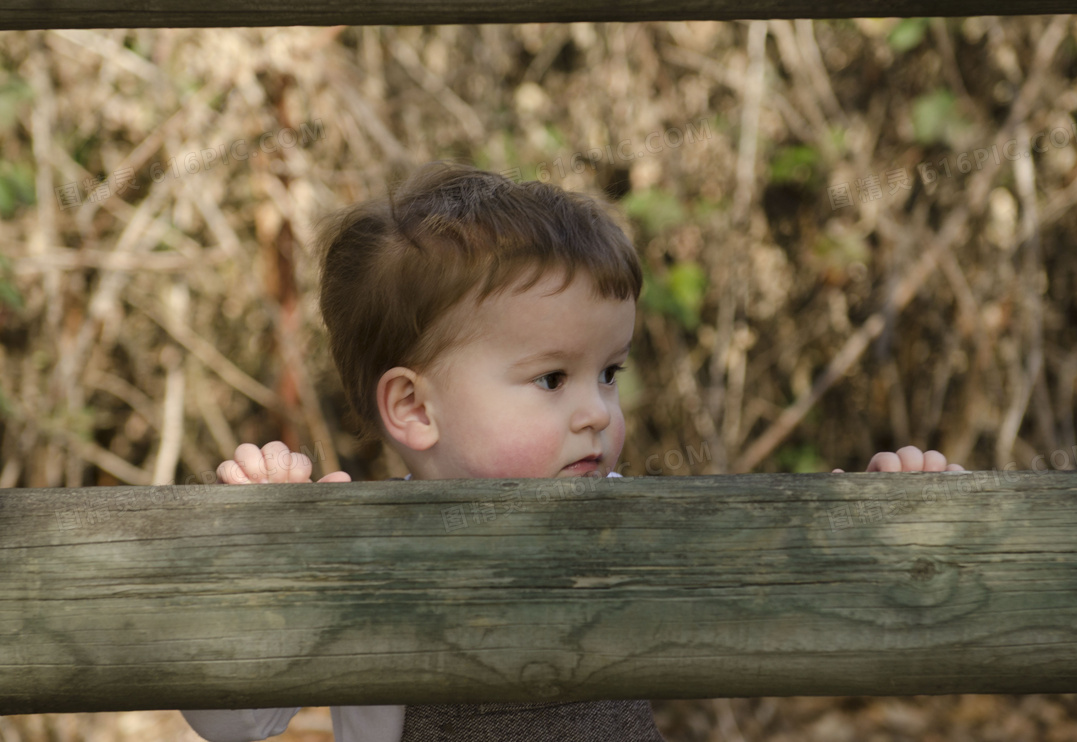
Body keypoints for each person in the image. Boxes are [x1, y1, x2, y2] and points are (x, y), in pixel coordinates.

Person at [180, 162, 962, 742]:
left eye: (610, 374)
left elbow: (783, 577)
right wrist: (256, 556)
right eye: (552, 378)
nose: (598, 412)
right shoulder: (358, 551)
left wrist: (892, 525)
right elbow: (231, 720)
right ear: (414, 408)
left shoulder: (631, 522)